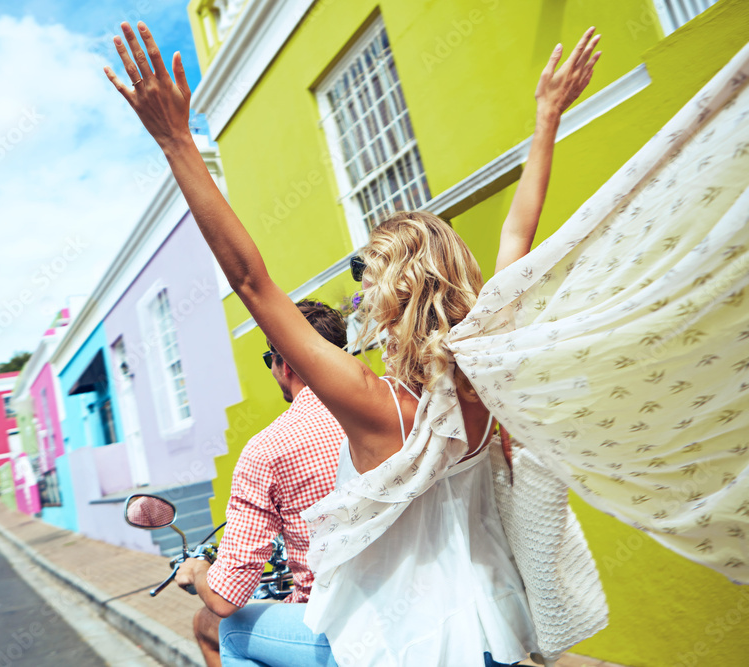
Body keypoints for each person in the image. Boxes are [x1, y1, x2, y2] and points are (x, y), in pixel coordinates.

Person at [103, 21, 600, 666]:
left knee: (227, 630)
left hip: (397, 649)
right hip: (492, 634)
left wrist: (177, 142)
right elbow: (517, 239)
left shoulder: (374, 403)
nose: (360, 296)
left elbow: (252, 282)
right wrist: (546, 117)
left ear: (397, 294)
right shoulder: (483, 378)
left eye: (369, 278)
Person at [174, 300, 348, 667]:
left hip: (339, 629)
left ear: (284, 363)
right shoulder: (394, 405)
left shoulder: (268, 449)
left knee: (220, 626)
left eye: (270, 359)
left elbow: (225, 598)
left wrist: (199, 570)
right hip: (415, 605)